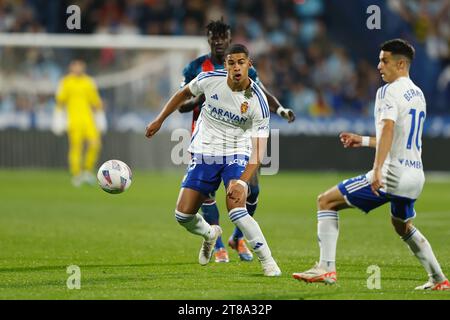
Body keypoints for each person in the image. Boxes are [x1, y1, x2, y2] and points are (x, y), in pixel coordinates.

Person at [292, 39, 449, 290]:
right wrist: (363, 140)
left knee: (326, 201)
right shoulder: (418, 94)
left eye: (384, 60)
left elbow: (388, 129)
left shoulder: (388, 91)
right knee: (402, 226)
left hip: (392, 174)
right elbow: (397, 137)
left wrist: (377, 170)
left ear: (400, 64)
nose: (379, 65)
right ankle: (439, 279)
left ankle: (326, 268)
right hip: (415, 176)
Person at [145, 44, 281, 276]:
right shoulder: (209, 79)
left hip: (236, 153)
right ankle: (210, 234)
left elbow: (259, 149)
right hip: (204, 152)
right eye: (231, 62)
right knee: (182, 215)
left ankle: (268, 262)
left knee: (236, 209)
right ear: (225, 65)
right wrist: (159, 120)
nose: (236, 67)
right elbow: (182, 94)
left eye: (241, 62)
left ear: (249, 64)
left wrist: (243, 182)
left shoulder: (258, 101)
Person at [178, 19, 295, 263]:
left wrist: (281, 109)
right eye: (214, 36)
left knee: (251, 190)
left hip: (238, 142)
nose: (219, 41)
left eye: (223, 36)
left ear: (230, 39)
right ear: (208, 39)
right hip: (206, 141)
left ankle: (238, 238)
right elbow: (182, 104)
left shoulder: (245, 68)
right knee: (205, 196)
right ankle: (217, 243)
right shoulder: (196, 68)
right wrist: (204, 98)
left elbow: (263, 94)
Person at [52, 59, 106, 186]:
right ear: (71, 67)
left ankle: (87, 170)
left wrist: (101, 116)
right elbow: (60, 101)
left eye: (80, 66)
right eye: (76, 66)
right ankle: (76, 174)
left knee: (95, 144)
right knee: (76, 148)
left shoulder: (88, 82)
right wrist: (58, 118)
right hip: (74, 120)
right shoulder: (66, 82)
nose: (78, 68)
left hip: (88, 120)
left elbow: (96, 101)